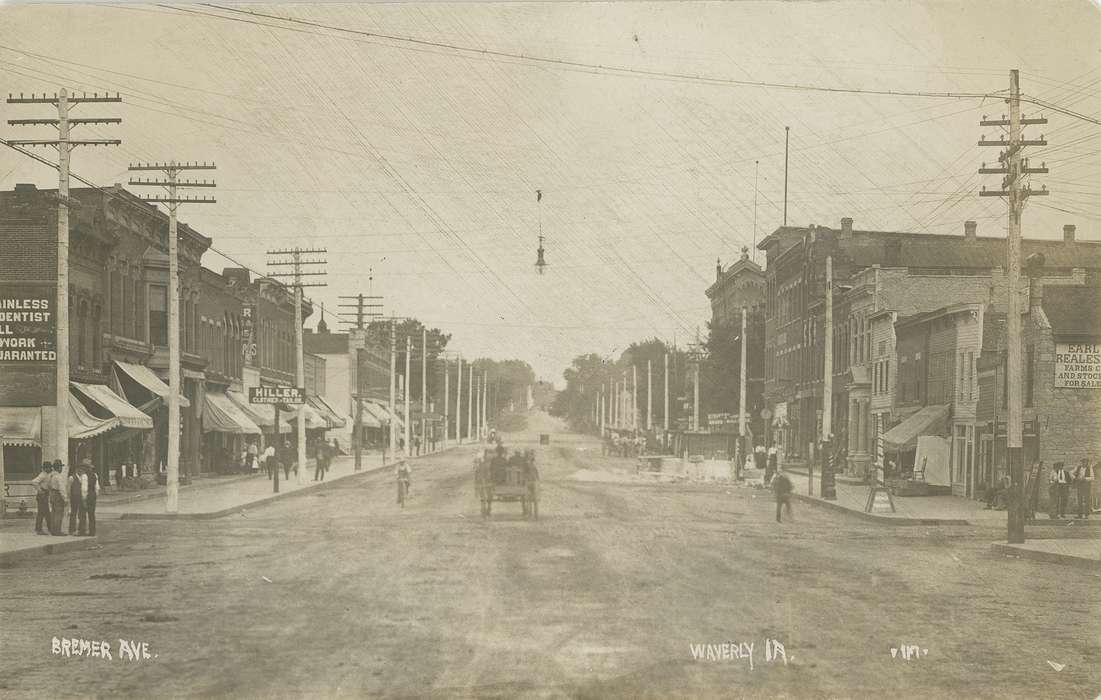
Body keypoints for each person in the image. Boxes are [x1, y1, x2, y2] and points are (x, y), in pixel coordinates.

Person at [79, 459, 99, 536]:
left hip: (87, 496)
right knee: (91, 514)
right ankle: (92, 531)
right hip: (93, 495)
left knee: (82, 514)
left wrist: (84, 499)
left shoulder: (84, 476)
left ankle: (82, 531)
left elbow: (84, 489)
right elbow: (97, 488)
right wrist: (95, 496)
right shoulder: (95, 475)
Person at [31, 462, 52, 535]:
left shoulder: (47, 474)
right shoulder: (42, 474)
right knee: (41, 512)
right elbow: (34, 482)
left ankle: (49, 528)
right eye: (48, 467)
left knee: (46, 512)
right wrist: (40, 490)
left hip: (45, 494)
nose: (50, 469)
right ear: (45, 468)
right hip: (42, 495)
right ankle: (39, 529)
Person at [48, 461, 67, 536]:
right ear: (58, 467)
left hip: (52, 493)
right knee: (59, 513)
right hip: (58, 494)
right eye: (61, 467)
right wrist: (65, 498)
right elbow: (61, 488)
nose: (61, 468)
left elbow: (48, 486)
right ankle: (57, 530)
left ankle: (53, 529)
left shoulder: (51, 476)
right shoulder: (58, 477)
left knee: (54, 512)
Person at [67, 461, 85, 536]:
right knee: (73, 513)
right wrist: (69, 497)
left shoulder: (83, 477)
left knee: (81, 513)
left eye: (82, 469)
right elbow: (68, 488)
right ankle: (72, 529)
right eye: (80, 469)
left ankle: (81, 529)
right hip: (74, 497)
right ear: (77, 469)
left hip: (81, 497)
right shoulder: (72, 477)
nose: (81, 471)